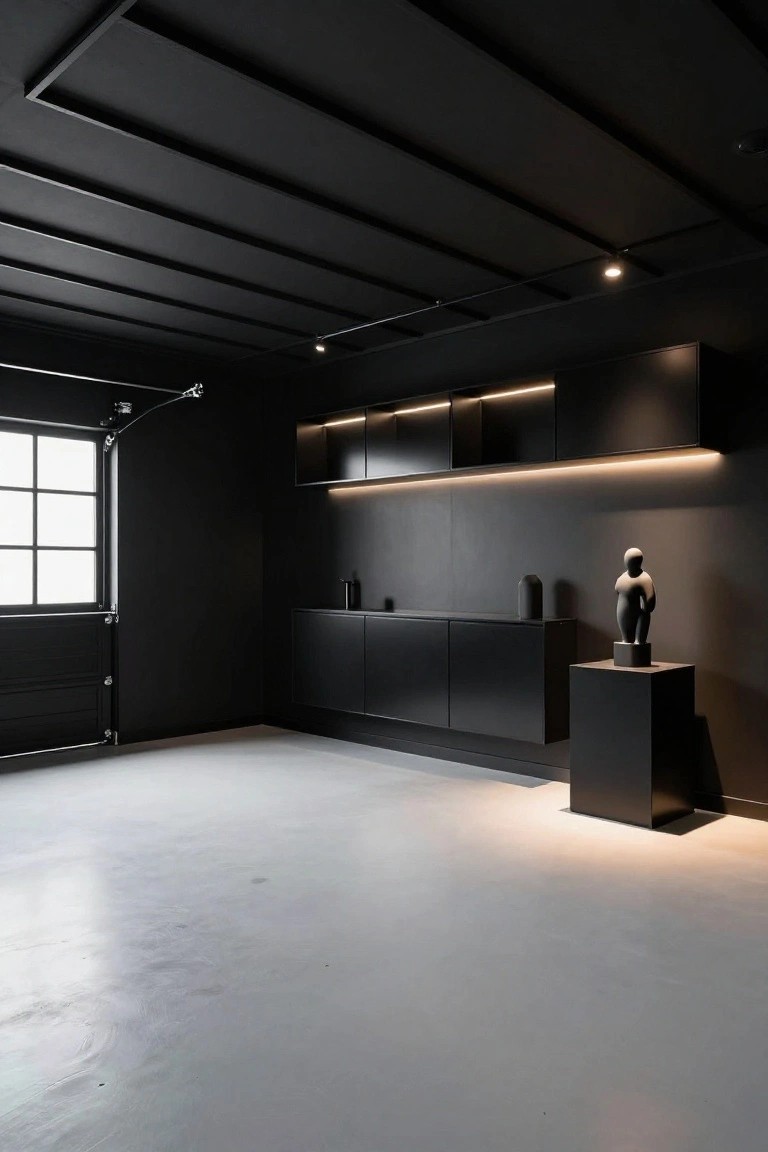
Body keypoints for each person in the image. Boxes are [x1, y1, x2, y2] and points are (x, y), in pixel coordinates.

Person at [615, 547, 656, 644]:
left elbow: (650, 603)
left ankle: (637, 641)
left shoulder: (644, 578)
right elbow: (650, 603)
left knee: (637, 642)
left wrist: (645, 609)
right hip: (624, 616)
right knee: (627, 642)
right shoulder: (623, 578)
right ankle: (630, 641)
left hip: (635, 616)